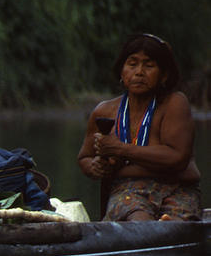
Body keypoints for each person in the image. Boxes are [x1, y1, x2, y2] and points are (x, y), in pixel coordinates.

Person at [76, 33, 201, 220]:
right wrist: (94, 167)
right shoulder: (105, 111)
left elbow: (177, 157)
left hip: (177, 188)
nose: (139, 72)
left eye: (149, 65)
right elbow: (85, 157)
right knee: (138, 220)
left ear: (164, 74)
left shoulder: (174, 103)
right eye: (132, 64)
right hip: (127, 190)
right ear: (121, 71)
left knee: (172, 225)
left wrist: (120, 149)